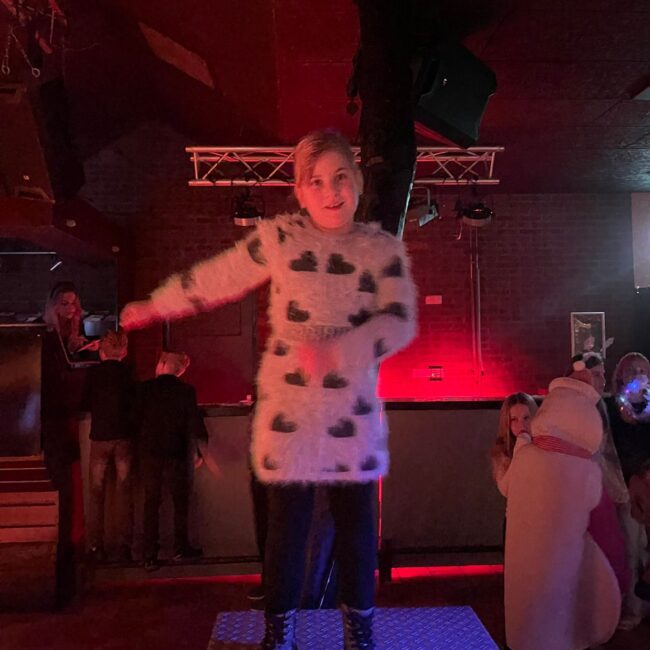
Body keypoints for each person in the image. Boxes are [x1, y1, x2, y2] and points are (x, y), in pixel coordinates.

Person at [120, 129, 418, 649]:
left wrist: (340, 350)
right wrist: (157, 305)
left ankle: (359, 635)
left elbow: (399, 320)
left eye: (340, 177)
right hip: (292, 413)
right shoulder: (282, 239)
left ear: (357, 180)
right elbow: (221, 275)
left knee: (356, 527)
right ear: (300, 191)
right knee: (287, 530)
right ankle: (279, 635)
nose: (330, 191)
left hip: (351, 413)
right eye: (315, 181)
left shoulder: (379, 250)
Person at [503, 362, 621, 650]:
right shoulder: (585, 472)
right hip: (564, 583)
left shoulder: (524, 455)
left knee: (527, 616)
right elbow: (606, 534)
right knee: (558, 620)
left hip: (522, 581)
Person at [137, 351, 207, 572]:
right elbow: (194, 422)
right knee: (180, 503)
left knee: (151, 503)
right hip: (177, 453)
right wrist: (200, 450)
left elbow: (135, 419)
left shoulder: (145, 389)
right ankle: (180, 548)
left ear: (163, 364)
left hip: (150, 453)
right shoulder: (186, 391)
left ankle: (149, 554)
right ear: (180, 370)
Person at [80, 329, 135, 563]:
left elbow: (84, 403)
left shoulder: (94, 374)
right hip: (124, 437)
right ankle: (123, 547)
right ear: (124, 351)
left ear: (102, 351)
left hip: (99, 437)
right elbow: (136, 403)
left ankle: (96, 546)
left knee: (96, 493)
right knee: (124, 493)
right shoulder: (129, 373)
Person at [607, 352, 650, 617]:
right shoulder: (612, 408)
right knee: (631, 548)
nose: (638, 375)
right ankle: (634, 608)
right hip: (627, 490)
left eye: (643, 370)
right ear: (621, 376)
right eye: (632, 370)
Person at [489, 392, 537, 497]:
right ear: (507, 423)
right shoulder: (502, 452)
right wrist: (521, 445)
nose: (522, 425)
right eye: (514, 419)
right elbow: (506, 489)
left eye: (526, 418)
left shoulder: (544, 446)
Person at [44, 281, 98, 356]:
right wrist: (69, 350)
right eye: (64, 304)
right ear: (53, 305)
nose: (71, 309)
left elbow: (82, 356)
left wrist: (89, 347)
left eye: (73, 303)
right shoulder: (42, 327)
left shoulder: (77, 322)